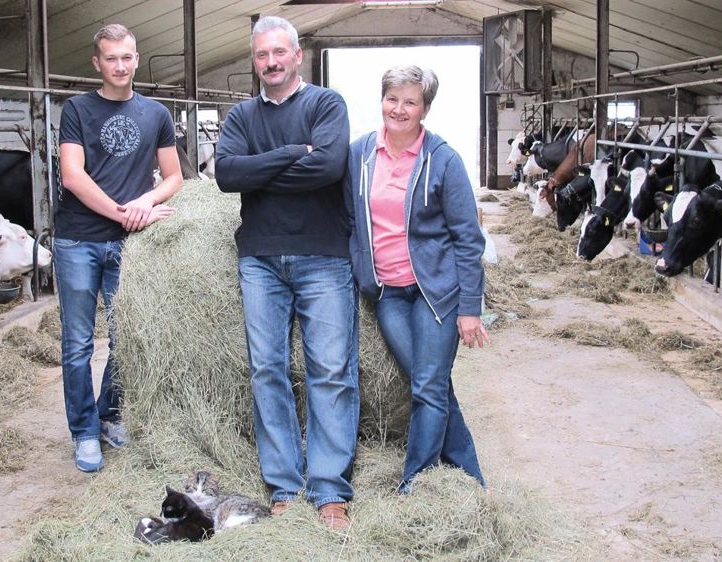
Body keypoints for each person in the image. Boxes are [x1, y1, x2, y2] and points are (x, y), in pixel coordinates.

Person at [214, 16, 358, 531]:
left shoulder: (325, 104)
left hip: (323, 256)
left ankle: (329, 490)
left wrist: (262, 168)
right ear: (253, 59)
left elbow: (329, 167)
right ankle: (284, 487)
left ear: (298, 55)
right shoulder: (242, 115)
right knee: (268, 370)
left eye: (280, 53)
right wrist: (292, 154)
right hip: (260, 259)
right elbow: (225, 174)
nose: (271, 63)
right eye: (261, 55)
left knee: (331, 371)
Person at [344, 65, 488, 493]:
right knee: (431, 384)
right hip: (388, 293)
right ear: (381, 100)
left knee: (427, 385)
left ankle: (415, 483)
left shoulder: (443, 159)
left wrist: (470, 309)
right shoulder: (360, 155)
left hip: (435, 294)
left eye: (410, 101)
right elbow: (349, 219)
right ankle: (471, 479)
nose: (399, 109)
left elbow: (468, 238)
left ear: (425, 108)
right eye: (392, 98)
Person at [56, 23, 183, 472]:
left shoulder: (156, 113)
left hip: (130, 244)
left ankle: (109, 414)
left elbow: (173, 177)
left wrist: (145, 203)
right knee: (77, 342)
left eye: (127, 57)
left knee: (126, 337)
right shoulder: (76, 109)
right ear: (97, 63)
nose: (121, 66)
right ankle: (84, 432)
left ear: (136, 56)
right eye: (111, 58)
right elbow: (73, 175)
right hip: (77, 239)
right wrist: (121, 212)